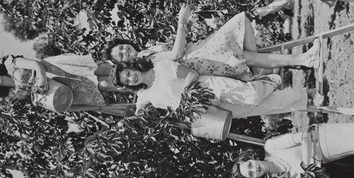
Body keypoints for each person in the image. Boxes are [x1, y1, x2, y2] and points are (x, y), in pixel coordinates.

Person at [95, 4, 320, 91]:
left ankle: (300, 61)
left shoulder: (146, 51)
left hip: (203, 53)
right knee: (242, 28)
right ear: (122, 62)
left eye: (123, 47)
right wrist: (181, 21)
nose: (126, 52)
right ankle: (301, 61)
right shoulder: (146, 59)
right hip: (201, 60)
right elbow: (176, 54)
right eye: (121, 55)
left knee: (249, 52)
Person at [113, 57, 323, 118]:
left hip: (209, 88)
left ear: (133, 67)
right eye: (127, 81)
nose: (131, 79)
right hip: (204, 110)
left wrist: (185, 94)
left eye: (129, 74)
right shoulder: (144, 94)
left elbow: (192, 74)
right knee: (259, 108)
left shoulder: (161, 68)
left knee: (251, 97)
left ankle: (270, 80)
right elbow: (138, 112)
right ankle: (307, 95)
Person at [0, 54, 128, 113]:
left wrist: (41, 79)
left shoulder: (11, 64)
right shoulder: (14, 93)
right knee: (100, 85)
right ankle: (133, 86)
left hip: (56, 70)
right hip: (59, 86)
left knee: (99, 69)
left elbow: (36, 64)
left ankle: (136, 66)